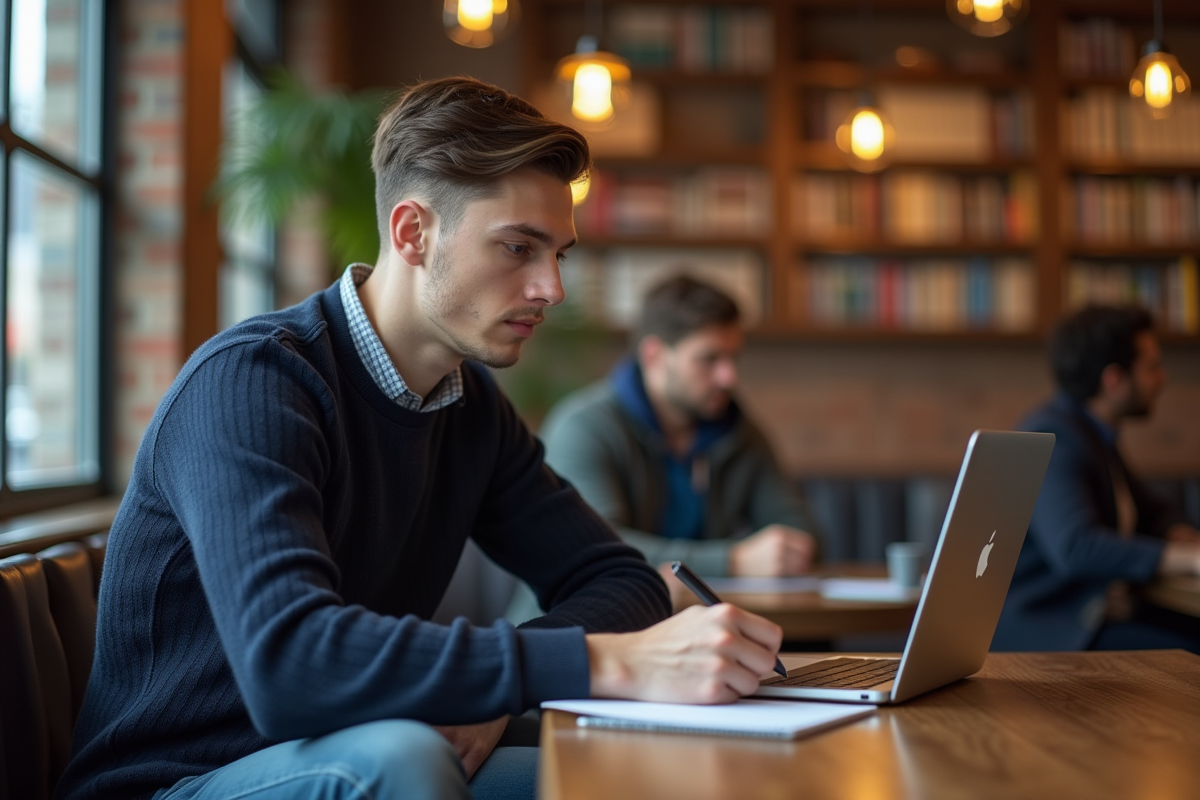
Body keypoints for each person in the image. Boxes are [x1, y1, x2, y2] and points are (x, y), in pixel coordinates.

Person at [55, 78, 786, 800]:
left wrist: (494, 696)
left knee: (650, 771)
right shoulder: (252, 382)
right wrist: (606, 664)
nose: (551, 289)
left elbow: (620, 581)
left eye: (557, 254)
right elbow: (291, 663)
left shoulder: (470, 409)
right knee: (401, 759)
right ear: (412, 233)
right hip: (180, 781)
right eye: (517, 248)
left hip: (354, 742)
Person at [507, 275, 819, 623]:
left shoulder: (738, 431)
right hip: (572, 638)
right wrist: (733, 561)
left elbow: (797, 528)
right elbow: (595, 546)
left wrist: (788, 550)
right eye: (709, 359)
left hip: (690, 632)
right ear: (655, 355)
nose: (728, 377)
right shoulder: (585, 427)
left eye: (733, 358)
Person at [993, 305, 1200, 653]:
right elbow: (1075, 547)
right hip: (1052, 631)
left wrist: (1178, 533)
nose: (1162, 378)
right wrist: (1189, 559)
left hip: (1097, 616)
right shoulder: (1055, 436)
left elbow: (1152, 510)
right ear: (1114, 381)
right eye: (1152, 368)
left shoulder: (1095, 435)